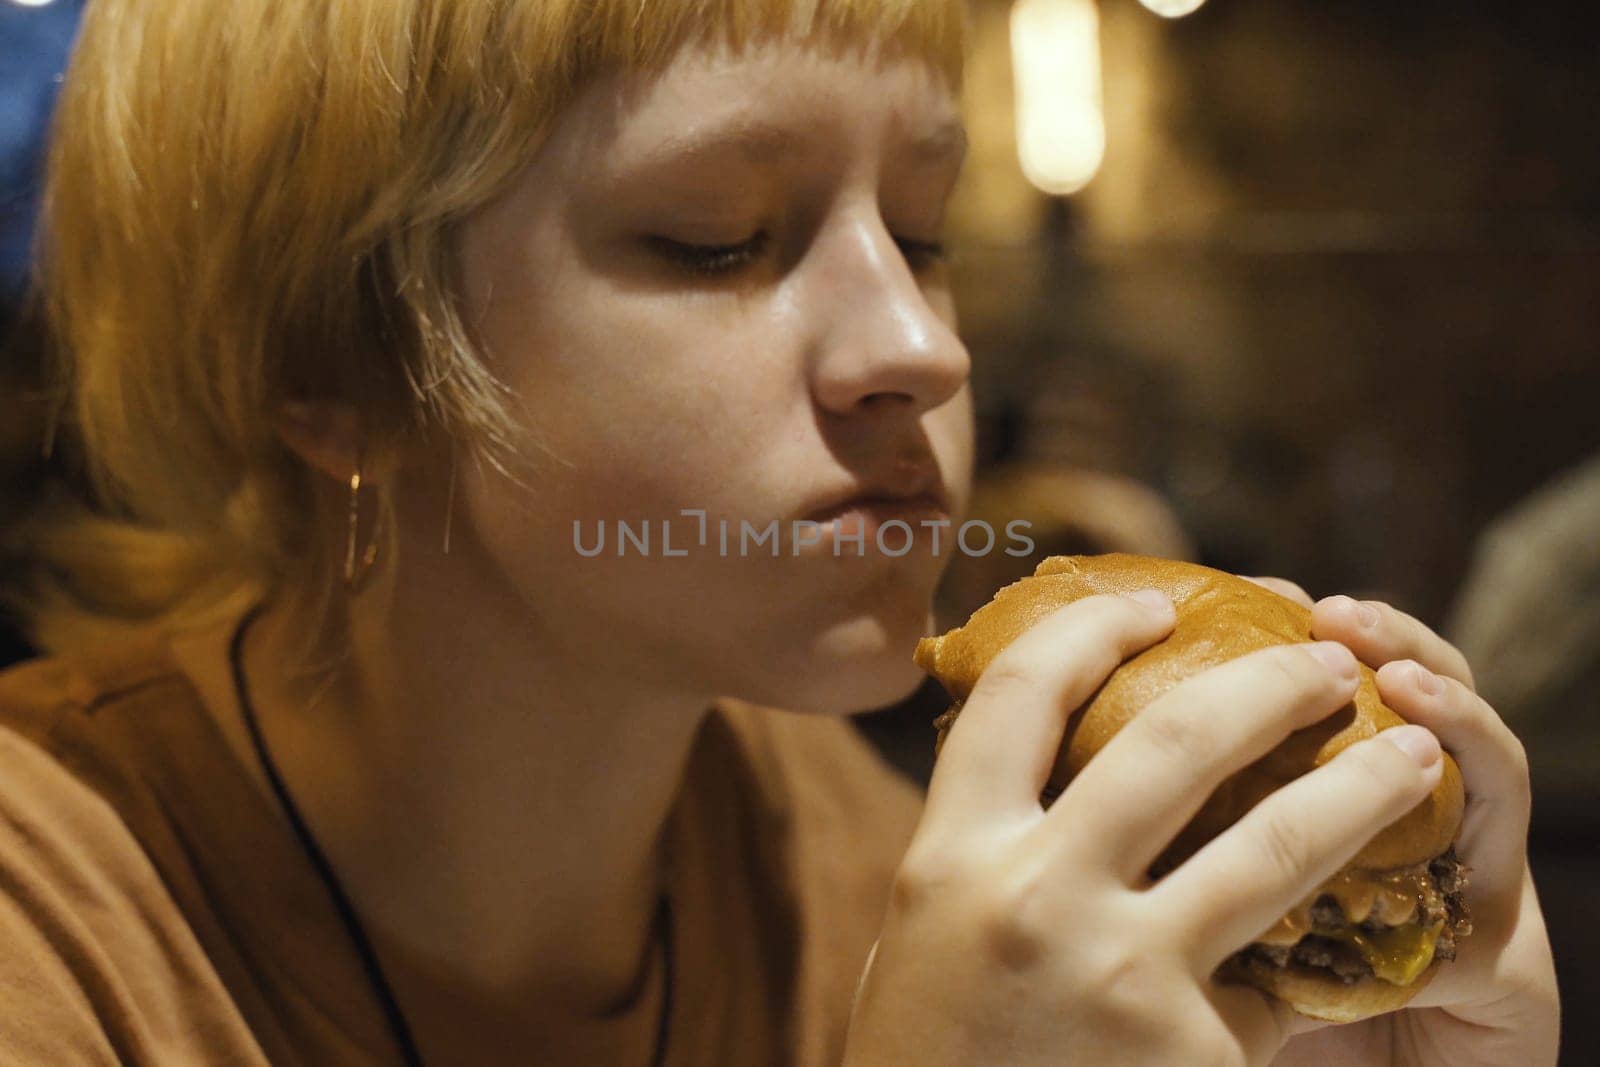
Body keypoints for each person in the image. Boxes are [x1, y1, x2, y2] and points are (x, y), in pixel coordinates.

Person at [0, 1, 1558, 1064]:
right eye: (721, 239)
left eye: (928, 233)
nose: (925, 347)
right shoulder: (53, 927)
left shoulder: (885, 863)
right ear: (328, 370)